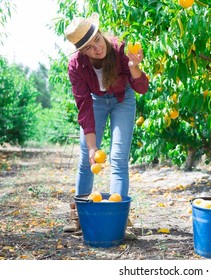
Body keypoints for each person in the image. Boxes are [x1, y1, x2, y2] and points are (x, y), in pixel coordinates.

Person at [63, 13, 149, 232]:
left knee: (118, 159)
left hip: (122, 99)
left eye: (98, 40)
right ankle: (79, 215)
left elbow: (141, 88)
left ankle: (118, 216)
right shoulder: (76, 66)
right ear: (82, 52)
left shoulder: (119, 49)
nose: (97, 48)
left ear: (101, 34)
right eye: (90, 48)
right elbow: (84, 106)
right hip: (95, 101)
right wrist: (92, 147)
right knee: (87, 159)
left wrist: (133, 66)